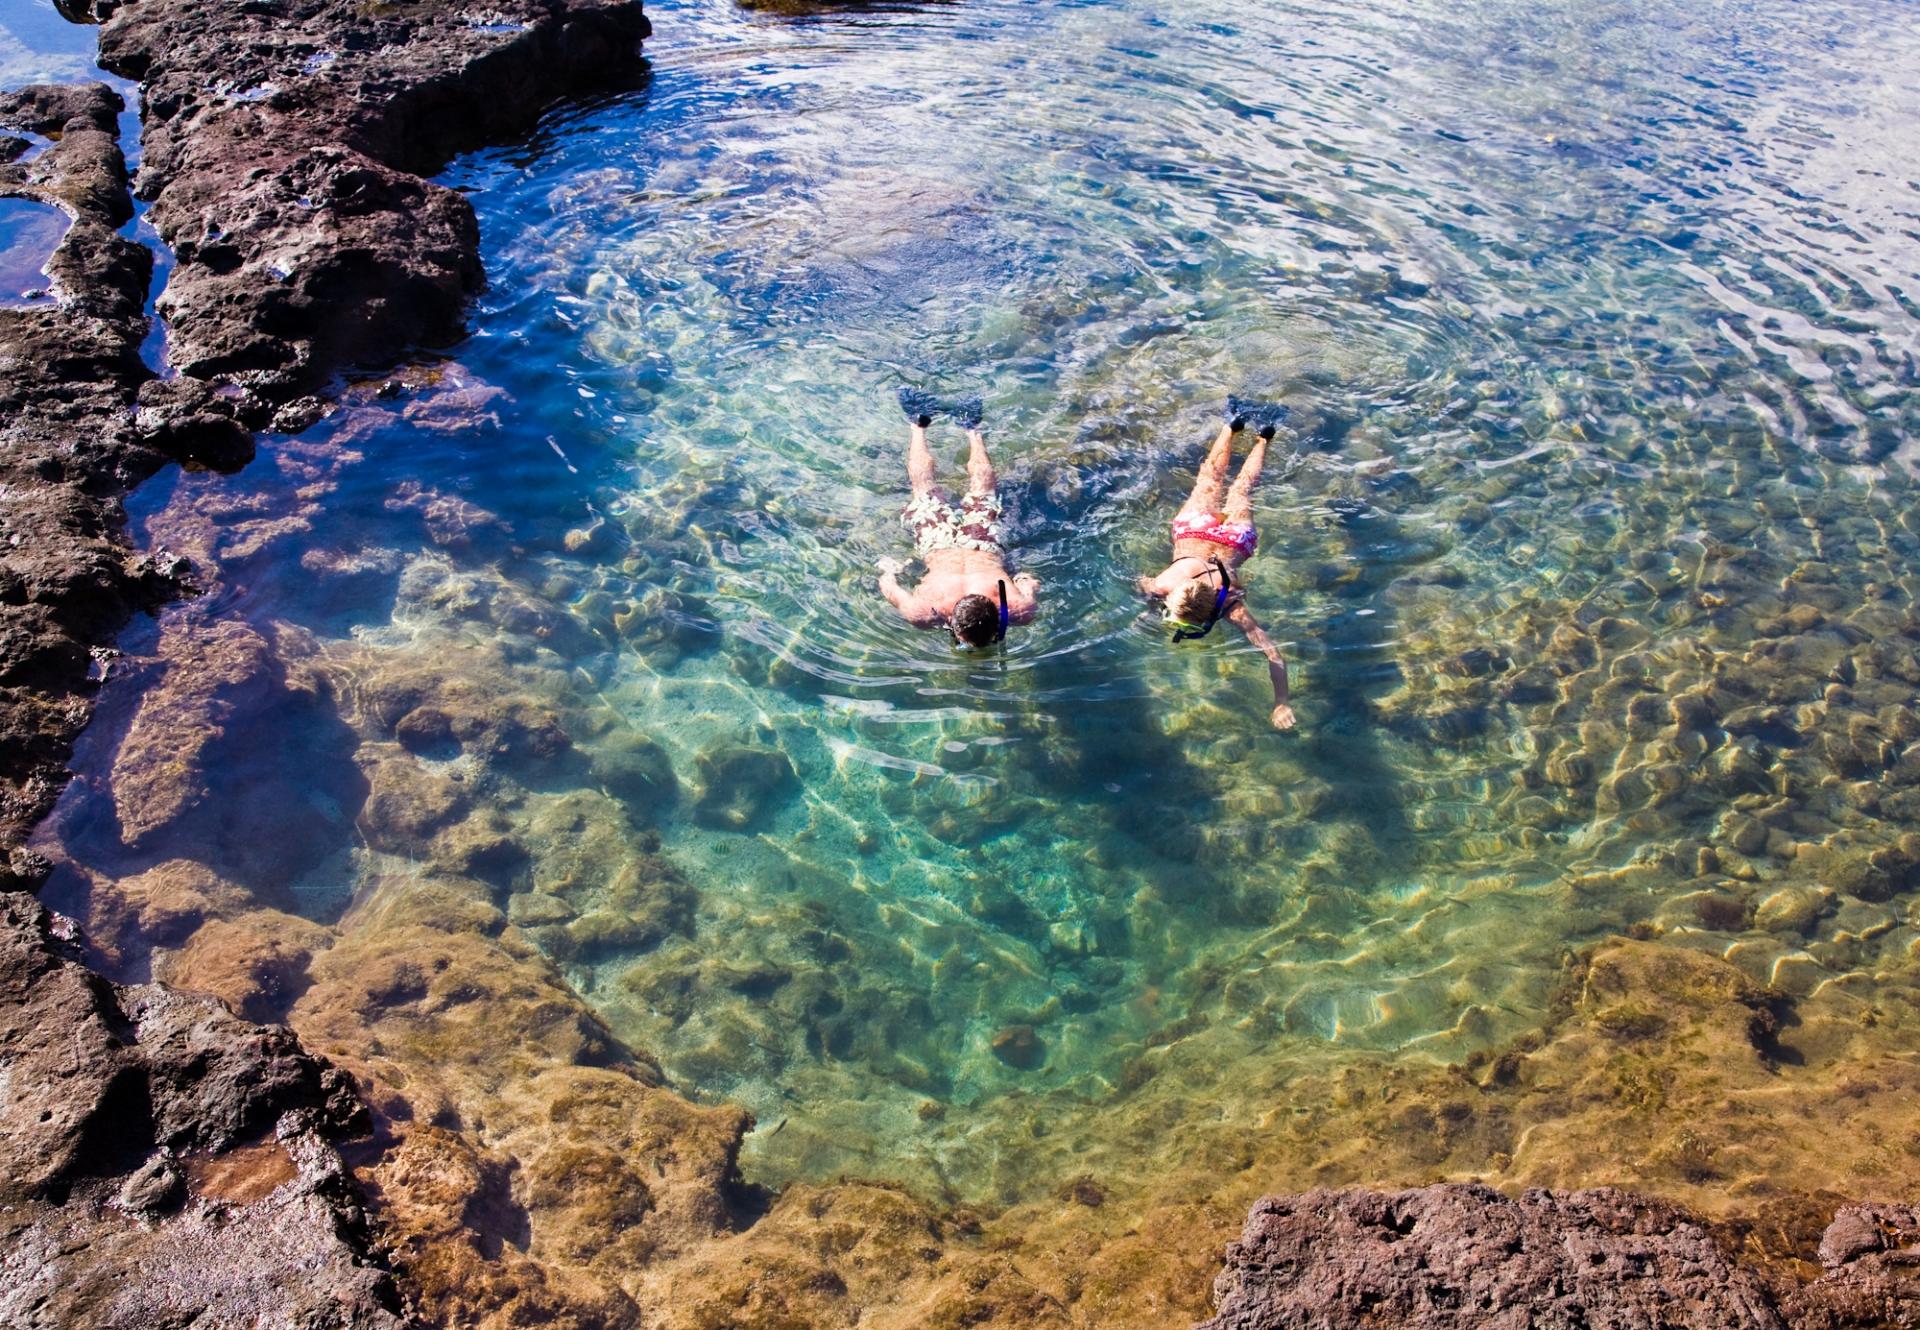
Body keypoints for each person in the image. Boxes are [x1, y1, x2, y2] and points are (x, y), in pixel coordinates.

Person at [1136, 399, 1296, 731]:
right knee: (1220, 483)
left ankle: (1247, 430)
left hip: (1235, 539)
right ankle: (1253, 433)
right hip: (1197, 530)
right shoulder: (1224, 603)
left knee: (1232, 486)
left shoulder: (1220, 603)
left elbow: (1142, 582)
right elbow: (1273, 655)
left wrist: (1145, 606)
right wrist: (1281, 701)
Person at [878, 389, 1039, 648]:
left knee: (982, 490)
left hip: (983, 545)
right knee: (924, 489)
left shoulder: (1019, 608)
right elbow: (887, 584)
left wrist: (1017, 578)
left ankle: (970, 428)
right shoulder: (922, 613)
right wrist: (891, 568)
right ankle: (919, 422)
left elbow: (1029, 581)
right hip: (937, 546)